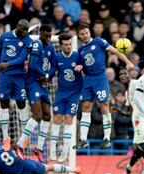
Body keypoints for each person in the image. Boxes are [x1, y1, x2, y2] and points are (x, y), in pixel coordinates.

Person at [73, 25, 134, 149]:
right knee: (86, 106)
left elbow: (115, 51)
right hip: (88, 79)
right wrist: (79, 68)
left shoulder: (99, 41)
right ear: (79, 36)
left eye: (86, 33)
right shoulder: (80, 50)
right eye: (82, 34)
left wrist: (127, 62)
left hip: (100, 78)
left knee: (104, 105)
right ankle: (83, 139)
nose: (85, 35)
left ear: (90, 33)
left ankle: (107, 138)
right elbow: (82, 67)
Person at [15, 24, 56, 163]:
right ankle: (20, 144)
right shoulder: (37, 44)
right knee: (37, 115)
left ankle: (38, 148)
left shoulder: (50, 47)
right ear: (41, 33)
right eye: (47, 35)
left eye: (51, 35)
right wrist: (44, 75)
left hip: (42, 83)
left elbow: (54, 66)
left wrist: (48, 77)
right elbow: (32, 65)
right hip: (32, 82)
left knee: (47, 115)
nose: (49, 38)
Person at [0, 19, 32, 152]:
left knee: (21, 103)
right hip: (4, 76)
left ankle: (24, 137)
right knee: (4, 104)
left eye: (27, 30)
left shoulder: (27, 40)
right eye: (23, 30)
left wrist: (8, 64)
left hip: (19, 76)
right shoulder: (4, 36)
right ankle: (5, 137)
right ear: (17, 26)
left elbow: (22, 58)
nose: (25, 33)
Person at [50, 32, 83, 162]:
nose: (69, 46)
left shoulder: (78, 56)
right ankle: (53, 151)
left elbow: (87, 69)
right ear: (61, 45)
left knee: (69, 119)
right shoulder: (57, 57)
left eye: (70, 44)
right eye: (66, 44)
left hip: (74, 94)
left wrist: (83, 68)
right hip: (61, 93)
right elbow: (52, 72)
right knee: (57, 119)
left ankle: (64, 152)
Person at [0, 133, 80, 174]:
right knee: (48, 167)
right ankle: (73, 169)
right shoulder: (2, 144)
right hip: (25, 164)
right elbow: (16, 154)